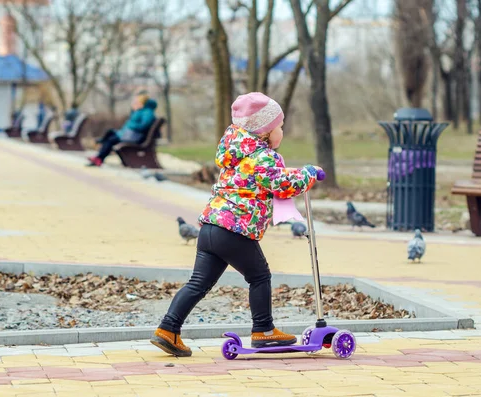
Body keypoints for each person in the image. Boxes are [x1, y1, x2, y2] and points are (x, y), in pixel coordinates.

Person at [150, 92, 322, 357]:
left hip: (210, 227)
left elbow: (266, 179)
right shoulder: (263, 157)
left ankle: (168, 329)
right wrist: (309, 174)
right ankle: (263, 330)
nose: (282, 132)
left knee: (198, 283)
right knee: (260, 276)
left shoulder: (237, 155)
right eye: (280, 126)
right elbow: (283, 184)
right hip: (234, 230)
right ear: (265, 132)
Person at [87, 92, 157, 166]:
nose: (135, 103)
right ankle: (99, 154)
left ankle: (99, 157)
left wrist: (131, 125)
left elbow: (144, 126)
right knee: (110, 134)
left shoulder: (147, 112)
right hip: (131, 135)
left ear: (142, 103)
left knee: (111, 140)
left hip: (135, 137)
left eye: (137, 102)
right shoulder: (142, 111)